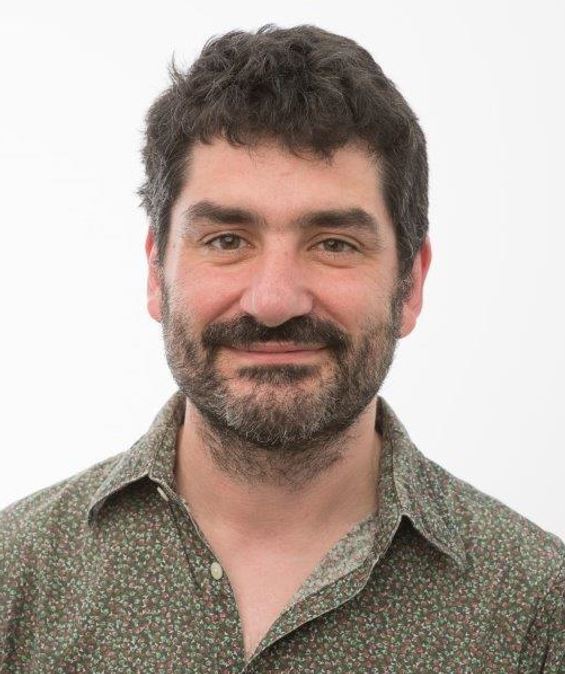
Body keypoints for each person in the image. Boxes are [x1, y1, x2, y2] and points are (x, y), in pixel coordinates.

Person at [1, 24, 563, 673]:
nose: (273, 301)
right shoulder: (17, 577)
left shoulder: (538, 608)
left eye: (333, 244)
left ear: (410, 285)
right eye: (226, 240)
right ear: (157, 274)